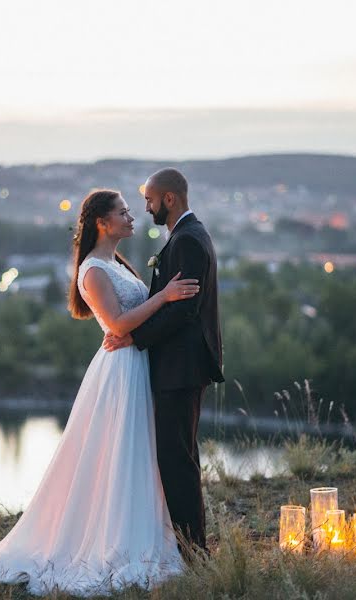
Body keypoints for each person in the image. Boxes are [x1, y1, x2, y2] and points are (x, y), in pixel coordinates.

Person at [0, 189, 199, 596]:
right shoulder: (93, 271)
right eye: (123, 212)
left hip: (135, 364)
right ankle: (112, 541)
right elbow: (118, 326)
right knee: (120, 451)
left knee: (137, 452)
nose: (132, 217)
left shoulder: (115, 263)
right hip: (119, 371)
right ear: (103, 222)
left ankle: (139, 529)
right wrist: (165, 297)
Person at [103, 168, 224, 556]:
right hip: (179, 367)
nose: (146, 207)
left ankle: (193, 552)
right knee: (179, 456)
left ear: (169, 199)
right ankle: (191, 548)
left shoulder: (187, 240)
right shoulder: (187, 236)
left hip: (180, 368)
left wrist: (132, 337)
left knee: (177, 461)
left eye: (150, 200)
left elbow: (182, 313)